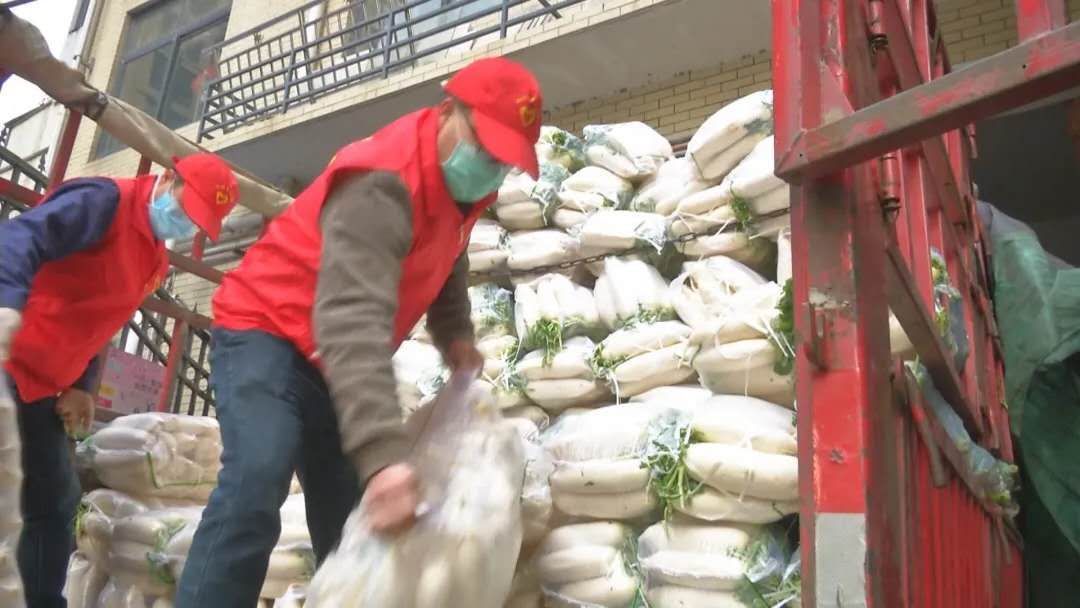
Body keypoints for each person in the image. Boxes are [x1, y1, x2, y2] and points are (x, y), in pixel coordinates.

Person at [174, 56, 542, 607]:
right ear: (448, 111)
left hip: (327, 358)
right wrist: (383, 457)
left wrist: (454, 334)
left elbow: (448, 255)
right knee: (258, 474)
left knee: (353, 516)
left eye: (504, 160)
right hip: (266, 330)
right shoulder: (382, 181)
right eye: (486, 149)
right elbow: (352, 316)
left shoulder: (459, 190)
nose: (491, 167)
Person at [0, 153, 238, 607]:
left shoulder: (154, 257)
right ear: (166, 178)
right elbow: (19, 238)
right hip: (8, 358)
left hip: (43, 387)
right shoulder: (102, 203)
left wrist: (82, 383)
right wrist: (6, 303)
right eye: (186, 209)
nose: (185, 223)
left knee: (54, 503)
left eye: (196, 222)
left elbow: (100, 321)